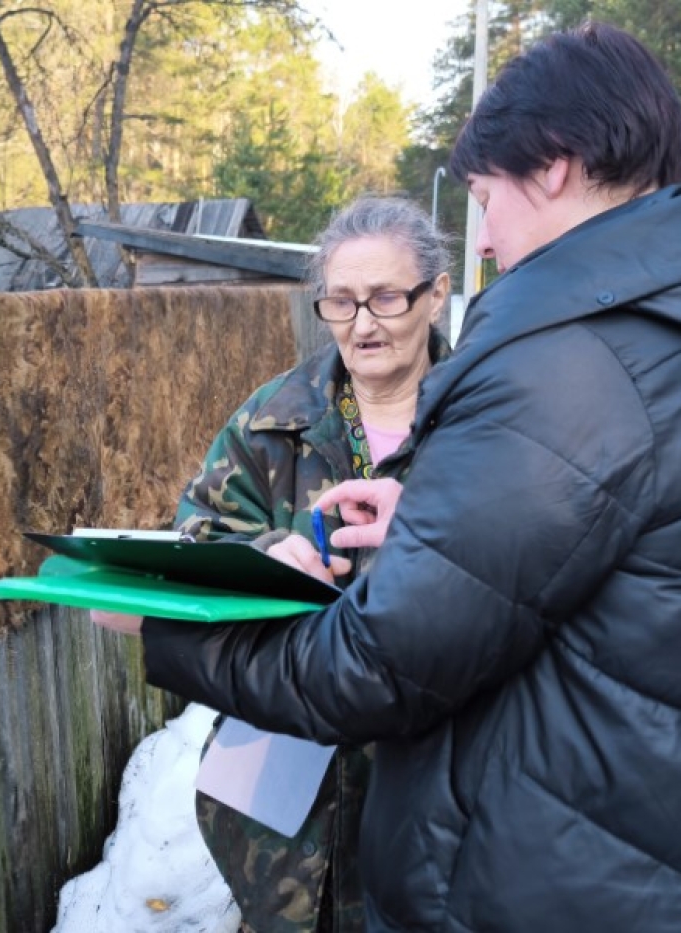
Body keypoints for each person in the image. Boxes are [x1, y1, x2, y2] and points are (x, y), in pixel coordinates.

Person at [101, 22, 681, 931]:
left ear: (556, 165)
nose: (489, 238)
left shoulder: (567, 365)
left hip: (580, 873)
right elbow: (649, 550)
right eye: (340, 300)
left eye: (487, 198)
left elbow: (376, 666)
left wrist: (163, 623)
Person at [97, 195, 452, 933]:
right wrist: (260, 555)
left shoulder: (485, 417)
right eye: (342, 301)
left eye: (386, 297)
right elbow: (193, 536)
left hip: (432, 782)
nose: (362, 323)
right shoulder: (275, 419)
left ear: (437, 292)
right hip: (281, 789)